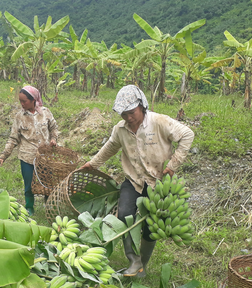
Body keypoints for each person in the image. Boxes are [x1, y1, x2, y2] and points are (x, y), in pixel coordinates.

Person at [80, 85, 194, 277]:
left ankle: (144, 263)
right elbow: (110, 147)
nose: (128, 118)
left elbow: (187, 135)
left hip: (158, 181)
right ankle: (133, 260)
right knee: (124, 216)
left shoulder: (158, 122)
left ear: (141, 106)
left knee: (150, 227)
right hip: (133, 180)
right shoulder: (120, 129)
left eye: (131, 112)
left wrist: (173, 164)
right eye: (124, 114)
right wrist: (93, 164)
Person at [0, 86, 58, 215]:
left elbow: (54, 128)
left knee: (47, 183)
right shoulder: (20, 117)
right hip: (27, 157)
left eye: (25, 101)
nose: (22, 104)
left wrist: (54, 139)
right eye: (20, 101)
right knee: (29, 184)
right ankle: (29, 207)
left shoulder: (46, 113)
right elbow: (13, 138)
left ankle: (49, 207)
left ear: (34, 100)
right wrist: (3, 156)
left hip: (45, 156)